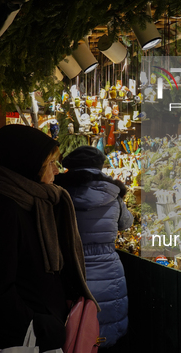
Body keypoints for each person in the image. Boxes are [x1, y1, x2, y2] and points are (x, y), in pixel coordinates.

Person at [0, 124, 97, 353]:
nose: (56, 171)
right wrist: (43, 326)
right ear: (28, 166)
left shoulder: (35, 202)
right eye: (50, 164)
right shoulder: (1, 211)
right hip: (20, 340)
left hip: (40, 333)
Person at [55, 145, 133, 348]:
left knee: (74, 326)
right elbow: (125, 223)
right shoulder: (113, 194)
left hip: (70, 266)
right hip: (107, 266)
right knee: (105, 322)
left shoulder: (58, 193)